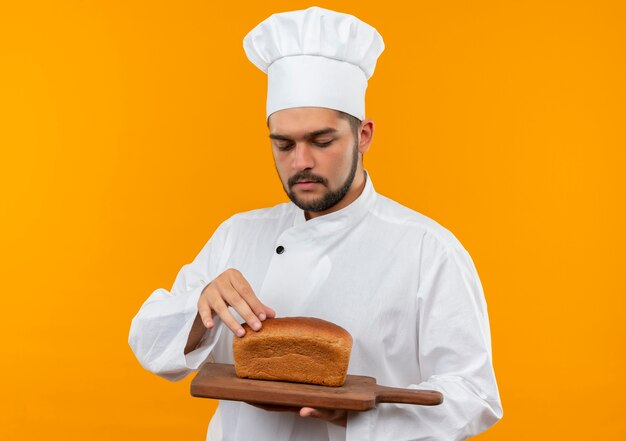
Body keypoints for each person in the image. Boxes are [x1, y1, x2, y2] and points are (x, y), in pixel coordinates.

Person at [129, 6, 502, 441]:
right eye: (283, 144)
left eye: (322, 141)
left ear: (363, 135)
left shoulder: (428, 250)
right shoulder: (238, 234)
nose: (301, 162)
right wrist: (200, 309)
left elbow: (475, 396)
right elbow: (149, 343)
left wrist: (354, 414)